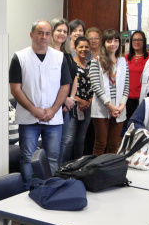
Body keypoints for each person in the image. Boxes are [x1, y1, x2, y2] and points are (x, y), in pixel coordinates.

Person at [9, 20, 71, 188]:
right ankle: (28, 189)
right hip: (28, 119)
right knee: (27, 157)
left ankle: (51, 188)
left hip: (54, 118)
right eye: (40, 33)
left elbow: (65, 86)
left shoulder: (59, 58)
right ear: (32, 35)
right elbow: (15, 89)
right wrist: (33, 109)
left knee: (53, 157)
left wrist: (53, 109)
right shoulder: (20, 57)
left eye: (47, 33)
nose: (44, 37)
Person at [89, 28, 128, 155]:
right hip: (102, 108)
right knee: (101, 143)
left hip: (119, 109)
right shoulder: (96, 62)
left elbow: (126, 85)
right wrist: (109, 105)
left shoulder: (123, 62)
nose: (113, 44)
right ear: (104, 43)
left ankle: (109, 170)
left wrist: (121, 106)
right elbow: (96, 86)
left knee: (113, 144)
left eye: (116, 40)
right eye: (109, 41)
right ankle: (95, 171)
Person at [51, 18, 77, 165]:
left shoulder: (67, 54)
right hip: (53, 106)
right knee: (53, 148)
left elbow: (74, 77)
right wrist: (64, 99)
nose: (62, 34)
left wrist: (71, 98)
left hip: (67, 106)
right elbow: (50, 82)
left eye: (65, 31)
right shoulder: (47, 53)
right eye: (59, 30)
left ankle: (59, 173)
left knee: (63, 143)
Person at [62, 36, 92, 161]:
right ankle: (64, 166)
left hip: (87, 107)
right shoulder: (71, 64)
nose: (84, 49)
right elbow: (67, 86)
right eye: (81, 47)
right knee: (69, 140)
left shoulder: (92, 65)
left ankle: (78, 166)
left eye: (86, 47)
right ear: (75, 47)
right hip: (73, 106)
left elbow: (94, 86)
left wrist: (88, 101)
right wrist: (79, 100)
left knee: (81, 139)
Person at [125, 30, 149, 122]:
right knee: (128, 124)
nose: (137, 42)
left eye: (139, 40)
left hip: (144, 97)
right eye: (134, 40)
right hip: (128, 98)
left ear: (144, 42)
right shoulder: (126, 58)